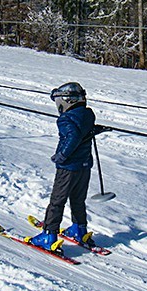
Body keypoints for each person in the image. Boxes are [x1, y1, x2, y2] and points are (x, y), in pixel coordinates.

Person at [30, 82, 102, 251]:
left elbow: (73, 136)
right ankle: (79, 229)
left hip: (68, 167)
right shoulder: (88, 114)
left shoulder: (66, 118)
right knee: (78, 199)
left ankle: (49, 234)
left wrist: (62, 155)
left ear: (66, 101)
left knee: (57, 200)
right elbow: (84, 131)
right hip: (84, 165)